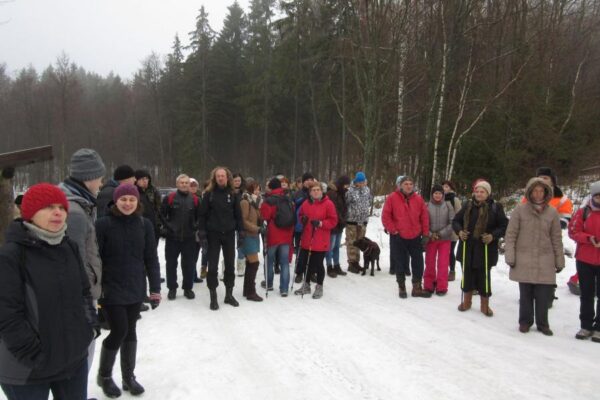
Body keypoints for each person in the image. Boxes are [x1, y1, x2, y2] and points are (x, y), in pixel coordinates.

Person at [0, 183, 97, 400]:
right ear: (30, 213)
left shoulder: (68, 246)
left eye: (62, 208)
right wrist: (35, 355)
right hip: (27, 369)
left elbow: (83, 292)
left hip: (73, 359)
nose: (58, 212)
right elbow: (7, 315)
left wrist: (88, 327)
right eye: (48, 207)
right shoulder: (10, 256)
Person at [95, 184, 161, 397]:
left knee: (130, 331)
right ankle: (104, 375)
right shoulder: (103, 224)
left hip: (135, 286)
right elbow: (95, 259)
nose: (127, 203)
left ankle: (128, 377)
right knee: (119, 330)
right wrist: (97, 288)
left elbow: (151, 258)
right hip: (110, 288)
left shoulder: (145, 225)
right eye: (123, 199)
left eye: (132, 200)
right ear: (116, 201)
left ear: (137, 202)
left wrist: (155, 289)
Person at [58, 148, 106, 378]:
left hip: (80, 294)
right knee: (83, 351)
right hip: (80, 296)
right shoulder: (75, 212)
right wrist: (88, 298)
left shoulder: (78, 202)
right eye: (99, 177)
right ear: (88, 177)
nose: (101, 182)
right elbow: (74, 261)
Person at [505, 177, 564, 336]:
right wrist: (510, 255)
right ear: (530, 192)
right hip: (524, 257)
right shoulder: (519, 210)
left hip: (545, 259)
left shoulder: (552, 212)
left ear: (546, 192)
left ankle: (543, 323)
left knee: (543, 295)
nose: (538, 194)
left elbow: (556, 238)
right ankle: (525, 321)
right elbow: (511, 235)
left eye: (541, 191)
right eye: (535, 190)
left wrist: (559, 259)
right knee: (526, 294)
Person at [453, 180, 508, 316]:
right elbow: (455, 221)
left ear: (488, 193)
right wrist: (460, 232)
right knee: (467, 275)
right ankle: (467, 301)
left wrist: (492, 236)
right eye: (477, 191)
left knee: (484, 277)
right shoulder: (467, 205)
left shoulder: (495, 207)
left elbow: (504, 226)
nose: (478, 194)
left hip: (485, 248)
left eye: (482, 191)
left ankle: (485, 305)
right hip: (468, 246)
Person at [198, 167, 244, 310]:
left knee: (230, 266)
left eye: (223, 176)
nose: (220, 178)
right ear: (214, 178)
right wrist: (202, 233)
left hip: (229, 234)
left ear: (227, 177)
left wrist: (241, 232)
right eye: (218, 176)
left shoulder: (233, 194)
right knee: (212, 267)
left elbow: (238, 215)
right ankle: (213, 296)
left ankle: (228, 295)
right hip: (213, 235)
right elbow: (202, 215)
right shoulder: (209, 194)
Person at [382, 176, 431, 298]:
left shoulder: (418, 199)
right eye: (406, 184)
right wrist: (393, 231)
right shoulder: (392, 198)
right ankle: (401, 286)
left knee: (418, 262)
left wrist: (425, 234)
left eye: (410, 184)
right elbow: (386, 217)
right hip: (398, 236)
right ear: (400, 185)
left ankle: (417, 287)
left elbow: (424, 218)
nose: (409, 186)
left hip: (415, 236)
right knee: (400, 262)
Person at [294, 182, 338, 299]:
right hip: (307, 238)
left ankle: (319, 286)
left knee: (318, 265)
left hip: (320, 240)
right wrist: (302, 219)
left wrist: (320, 223)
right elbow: (300, 215)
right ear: (310, 192)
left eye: (318, 189)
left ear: (322, 191)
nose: (316, 192)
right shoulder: (306, 203)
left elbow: (333, 221)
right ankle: (306, 285)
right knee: (306, 263)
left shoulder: (328, 204)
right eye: (313, 190)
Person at [568, 181, 600, 341]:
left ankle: (599, 327)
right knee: (586, 294)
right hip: (585, 259)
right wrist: (589, 238)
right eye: (597, 196)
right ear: (592, 196)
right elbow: (573, 231)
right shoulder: (583, 212)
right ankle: (585, 325)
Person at [160, 174, 200, 300]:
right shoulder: (170, 198)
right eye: (181, 182)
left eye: (186, 183)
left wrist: (195, 226)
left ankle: (188, 288)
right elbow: (161, 215)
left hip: (189, 238)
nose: (184, 184)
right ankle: (172, 288)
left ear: (189, 184)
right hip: (173, 238)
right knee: (171, 264)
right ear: (177, 184)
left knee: (189, 264)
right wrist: (168, 228)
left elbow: (200, 217)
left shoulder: (195, 199)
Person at [261, 178, 295, 296]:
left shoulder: (269, 200)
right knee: (284, 262)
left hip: (273, 235)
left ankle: (269, 284)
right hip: (286, 235)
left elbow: (264, 216)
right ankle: (284, 288)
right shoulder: (288, 198)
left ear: (270, 187)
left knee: (269, 260)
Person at [424, 184, 455, 295]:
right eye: (435, 193)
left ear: (443, 195)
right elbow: (423, 223)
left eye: (440, 193)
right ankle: (428, 284)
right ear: (432, 194)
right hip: (431, 239)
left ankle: (442, 287)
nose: (438, 195)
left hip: (444, 239)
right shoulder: (426, 205)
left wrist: (441, 234)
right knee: (430, 262)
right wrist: (431, 234)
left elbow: (453, 222)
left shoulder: (448, 205)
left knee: (443, 263)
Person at [239, 181, 264, 301]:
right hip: (248, 235)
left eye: (259, 189)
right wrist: (257, 228)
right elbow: (243, 221)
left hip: (254, 235)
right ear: (249, 189)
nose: (257, 192)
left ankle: (246, 290)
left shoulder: (255, 202)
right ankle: (251, 292)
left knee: (250, 263)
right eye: (255, 189)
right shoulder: (245, 202)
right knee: (254, 263)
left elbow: (255, 218)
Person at [345, 171, 372, 274]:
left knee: (360, 242)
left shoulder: (367, 190)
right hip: (352, 221)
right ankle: (352, 263)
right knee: (352, 242)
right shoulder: (350, 191)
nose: (361, 184)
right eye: (359, 182)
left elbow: (369, 201)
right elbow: (346, 202)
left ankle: (357, 262)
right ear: (356, 181)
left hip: (363, 220)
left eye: (363, 182)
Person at [292, 173, 316, 282]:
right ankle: (299, 272)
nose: (309, 182)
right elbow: (295, 203)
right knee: (300, 250)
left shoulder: (316, 192)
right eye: (307, 180)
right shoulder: (298, 193)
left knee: (312, 251)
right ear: (303, 181)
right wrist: (305, 198)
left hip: (313, 227)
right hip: (300, 225)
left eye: (311, 179)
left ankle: (311, 272)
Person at [325, 176, 351, 277]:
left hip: (340, 224)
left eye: (348, 185)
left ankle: (336, 265)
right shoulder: (331, 193)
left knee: (336, 247)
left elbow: (344, 208)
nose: (347, 187)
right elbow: (334, 210)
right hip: (333, 224)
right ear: (341, 184)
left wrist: (344, 220)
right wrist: (341, 220)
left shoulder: (342, 193)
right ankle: (329, 266)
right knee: (330, 247)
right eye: (345, 185)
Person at [442, 180, 462, 281]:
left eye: (446, 186)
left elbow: (459, 214)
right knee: (443, 252)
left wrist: (458, 228)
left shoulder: (455, 199)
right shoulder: (440, 198)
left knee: (450, 252)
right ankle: (443, 270)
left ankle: (452, 271)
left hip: (453, 230)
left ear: (451, 188)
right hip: (442, 230)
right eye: (443, 186)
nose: (444, 188)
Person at [233, 173, 247, 277]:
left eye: (239, 180)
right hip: (229, 221)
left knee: (240, 244)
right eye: (235, 180)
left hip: (240, 221)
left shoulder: (244, 193)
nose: (237, 182)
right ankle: (227, 267)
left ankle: (241, 266)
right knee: (228, 246)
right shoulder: (228, 191)